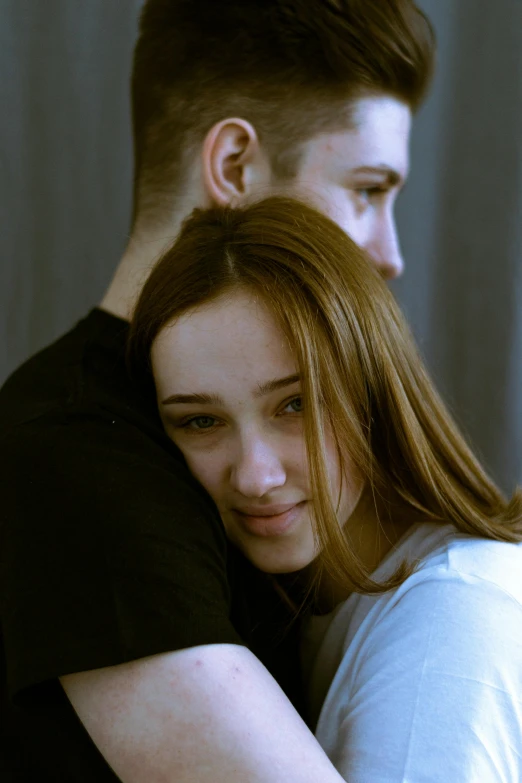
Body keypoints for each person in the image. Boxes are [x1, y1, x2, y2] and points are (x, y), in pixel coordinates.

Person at [0, 1, 435, 781]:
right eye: (366, 190)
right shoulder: (76, 461)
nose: (389, 252)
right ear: (234, 167)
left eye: (291, 405)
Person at [128, 195, 522, 782]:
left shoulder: (452, 616)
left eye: (295, 404)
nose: (256, 476)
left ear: (374, 390)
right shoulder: (300, 608)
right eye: (201, 421)